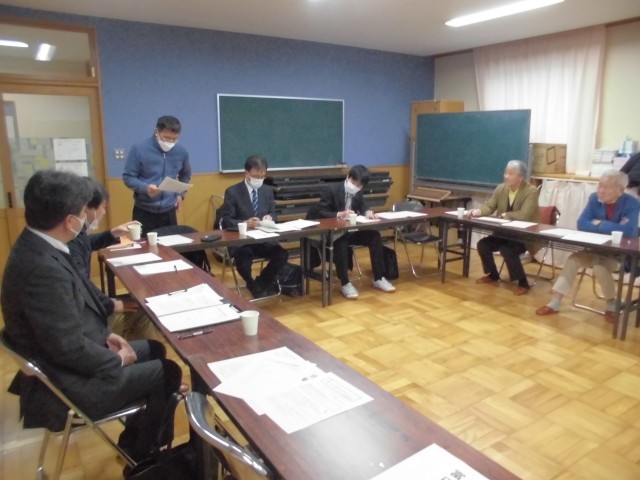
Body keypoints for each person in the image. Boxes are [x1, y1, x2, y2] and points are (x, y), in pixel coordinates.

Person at [2, 170, 183, 463]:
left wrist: (105, 335)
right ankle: (142, 457)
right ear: (70, 221)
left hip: (64, 360)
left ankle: (138, 437)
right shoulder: (42, 271)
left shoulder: (38, 244)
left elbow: (64, 324)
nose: (87, 218)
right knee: (169, 372)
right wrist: (117, 359)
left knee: (153, 350)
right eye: (83, 212)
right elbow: (67, 348)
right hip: (67, 382)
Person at [536, 170, 640, 321]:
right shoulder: (594, 199)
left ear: (620, 190)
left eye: (606, 187)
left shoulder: (632, 204)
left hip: (618, 255)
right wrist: (611, 227)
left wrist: (600, 224)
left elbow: (629, 231)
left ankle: (611, 304)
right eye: (600, 185)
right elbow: (582, 223)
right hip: (595, 249)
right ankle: (555, 302)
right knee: (573, 259)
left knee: (600, 268)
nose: (601, 190)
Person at [313, 164, 395, 299]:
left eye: (359, 185)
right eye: (354, 182)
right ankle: (345, 283)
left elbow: (363, 205)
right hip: (334, 233)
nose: (355, 186)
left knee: (374, 236)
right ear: (348, 177)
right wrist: (339, 214)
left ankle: (379, 278)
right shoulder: (331, 189)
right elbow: (320, 212)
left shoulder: (358, 192)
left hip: (349, 230)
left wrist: (368, 212)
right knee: (341, 241)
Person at [220, 155, 289, 299]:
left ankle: (261, 282)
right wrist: (245, 223)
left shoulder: (267, 190)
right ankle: (250, 283)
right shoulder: (233, 192)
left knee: (282, 254)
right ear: (246, 174)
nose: (259, 179)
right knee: (244, 259)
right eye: (256, 176)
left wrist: (270, 218)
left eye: (263, 176)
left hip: (263, 238)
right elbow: (226, 221)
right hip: (242, 241)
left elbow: (273, 213)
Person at [470, 160, 540, 295]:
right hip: (504, 233)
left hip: (524, 235)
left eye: (511, 174)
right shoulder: (501, 188)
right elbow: (490, 205)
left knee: (507, 249)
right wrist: (478, 211)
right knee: (483, 245)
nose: (506, 176)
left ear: (521, 177)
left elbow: (525, 214)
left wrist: (506, 215)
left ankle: (523, 283)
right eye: (506, 173)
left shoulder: (531, 191)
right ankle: (493, 274)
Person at [123, 115, 191, 236]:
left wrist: (181, 195)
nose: (170, 142)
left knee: (171, 245)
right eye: (166, 138)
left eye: (174, 139)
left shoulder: (181, 152)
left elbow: (185, 175)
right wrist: (145, 188)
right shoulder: (139, 149)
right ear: (156, 132)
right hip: (144, 211)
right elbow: (128, 177)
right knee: (144, 246)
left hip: (169, 211)